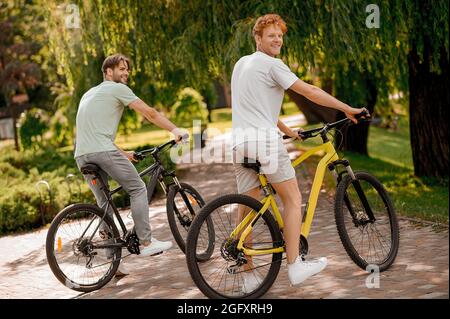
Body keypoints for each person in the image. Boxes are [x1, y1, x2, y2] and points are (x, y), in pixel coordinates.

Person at [231, 14, 368, 290]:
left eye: (280, 35)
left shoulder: (240, 65)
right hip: (265, 143)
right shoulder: (273, 65)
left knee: (247, 210)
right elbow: (310, 91)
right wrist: (346, 108)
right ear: (258, 39)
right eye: (271, 35)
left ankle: (247, 276)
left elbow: (255, 107)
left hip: (240, 144)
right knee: (293, 199)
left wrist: (288, 130)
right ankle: (295, 265)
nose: (277, 39)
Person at [74, 54, 186, 276]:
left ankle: (112, 262)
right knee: (138, 188)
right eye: (121, 68)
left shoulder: (89, 93)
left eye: (127, 70)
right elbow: (150, 113)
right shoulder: (116, 89)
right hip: (102, 151)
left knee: (103, 203)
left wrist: (124, 153)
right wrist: (175, 130)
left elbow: (94, 133)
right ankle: (146, 242)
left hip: (82, 155)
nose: (125, 73)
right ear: (108, 72)